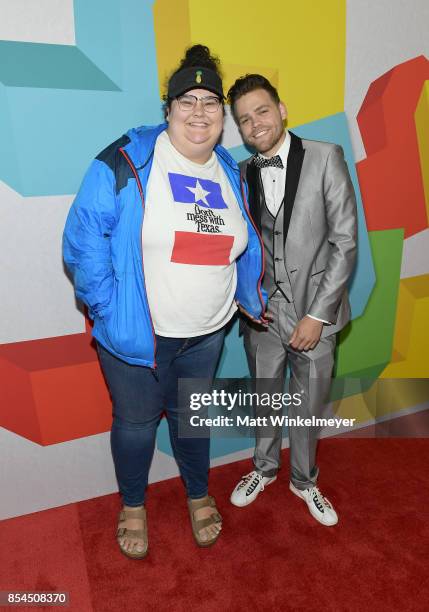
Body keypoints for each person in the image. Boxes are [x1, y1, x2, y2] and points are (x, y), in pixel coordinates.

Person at [63, 47, 266, 559]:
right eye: (186, 100)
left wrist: (244, 296)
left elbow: (240, 247)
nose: (199, 111)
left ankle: (198, 493)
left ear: (223, 113)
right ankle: (133, 505)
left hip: (207, 333)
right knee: (134, 425)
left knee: (191, 419)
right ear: (168, 108)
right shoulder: (128, 159)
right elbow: (84, 237)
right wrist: (108, 310)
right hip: (141, 335)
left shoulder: (229, 170)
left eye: (211, 101)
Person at [228, 74, 357, 525]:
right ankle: (263, 468)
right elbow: (233, 246)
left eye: (261, 111)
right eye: (243, 119)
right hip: (262, 315)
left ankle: (305, 480)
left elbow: (345, 242)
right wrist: (244, 298)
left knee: (307, 404)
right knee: (265, 396)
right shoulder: (239, 173)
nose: (254, 124)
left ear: (281, 110)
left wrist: (317, 316)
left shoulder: (326, 157)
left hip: (314, 312)